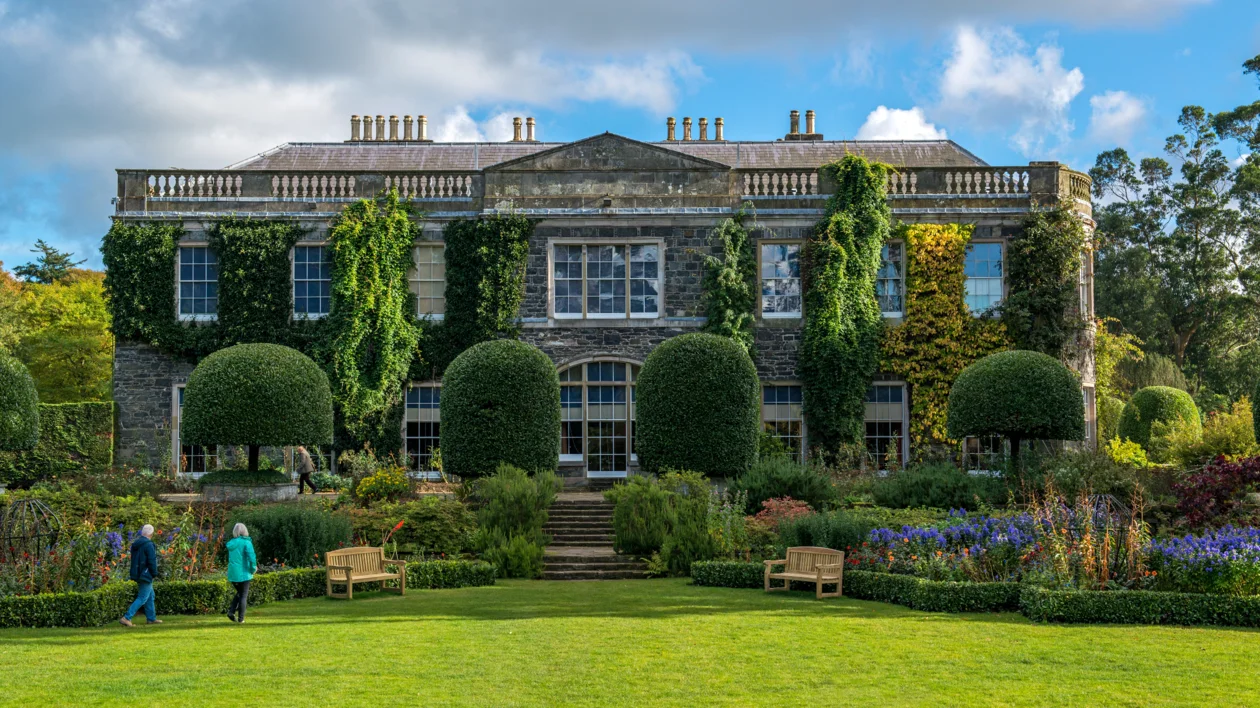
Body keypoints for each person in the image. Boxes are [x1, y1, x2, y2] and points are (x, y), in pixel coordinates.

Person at [120, 524, 161, 627]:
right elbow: (152, 560)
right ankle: (127, 618)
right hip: (146, 574)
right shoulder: (149, 544)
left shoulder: (136, 544)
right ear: (151, 534)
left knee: (150, 595)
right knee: (142, 597)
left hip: (138, 572)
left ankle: (151, 618)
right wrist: (154, 573)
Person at [225, 522, 258, 623]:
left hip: (233, 573)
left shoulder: (231, 543)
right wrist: (253, 569)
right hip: (243, 573)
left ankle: (231, 612)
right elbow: (252, 557)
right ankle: (241, 619)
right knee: (243, 595)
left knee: (240, 593)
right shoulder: (246, 542)